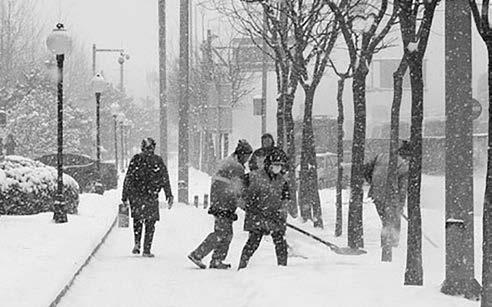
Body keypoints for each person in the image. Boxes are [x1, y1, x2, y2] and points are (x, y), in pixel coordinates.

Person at [188, 139, 253, 269]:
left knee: (226, 233)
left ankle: (217, 260)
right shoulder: (236, 167)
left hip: (219, 201)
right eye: (247, 156)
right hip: (224, 203)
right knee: (221, 233)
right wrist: (246, 205)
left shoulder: (227, 162)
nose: (247, 159)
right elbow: (237, 189)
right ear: (241, 154)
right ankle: (198, 254)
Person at [238, 148, 290, 270]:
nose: (278, 168)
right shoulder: (254, 177)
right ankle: (242, 267)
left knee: (281, 244)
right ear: (269, 164)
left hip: (274, 217)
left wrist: (281, 212)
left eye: (280, 166)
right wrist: (245, 203)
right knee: (253, 243)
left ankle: (283, 269)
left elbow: (285, 199)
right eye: (276, 165)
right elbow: (239, 190)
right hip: (257, 216)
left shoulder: (282, 181)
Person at [122, 137, 173, 258]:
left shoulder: (136, 159)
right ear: (153, 148)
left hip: (136, 196)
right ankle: (146, 249)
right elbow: (165, 178)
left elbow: (128, 178)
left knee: (138, 220)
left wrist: (124, 196)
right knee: (150, 223)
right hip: (151, 196)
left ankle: (137, 243)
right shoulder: (157, 161)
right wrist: (168, 194)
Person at [365, 141, 411, 248]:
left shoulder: (381, 156)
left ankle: (386, 245)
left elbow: (366, 170)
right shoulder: (403, 165)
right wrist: (400, 205)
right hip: (391, 198)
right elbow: (402, 189)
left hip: (377, 195)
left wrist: (373, 184)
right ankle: (391, 247)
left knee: (386, 222)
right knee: (394, 223)